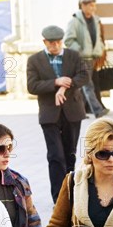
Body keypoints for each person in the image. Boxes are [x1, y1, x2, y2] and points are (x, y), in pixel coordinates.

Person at [26, 25, 88, 203]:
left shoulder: (73, 56)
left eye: (59, 42)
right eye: (52, 43)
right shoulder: (34, 60)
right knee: (55, 156)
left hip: (72, 112)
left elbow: (84, 76)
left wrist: (63, 87)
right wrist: (55, 82)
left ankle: (71, 194)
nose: (56, 46)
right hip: (49, 113)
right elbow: (32, 86)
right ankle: (59, 199)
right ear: (45, 42)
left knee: (70, 154)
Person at [64, 0, 109, 119]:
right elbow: (68, 40)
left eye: (94, 5)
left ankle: (79, 112)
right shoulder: (74, 21)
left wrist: (100, 50)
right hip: (81, 58)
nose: (93, 8)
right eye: (91, 5)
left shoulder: (95, 20)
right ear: (83, 6)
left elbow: (98, 38)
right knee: (88, 86)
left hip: (93, 57)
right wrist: (79, 51)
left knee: (84, 86)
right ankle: (98, 110)